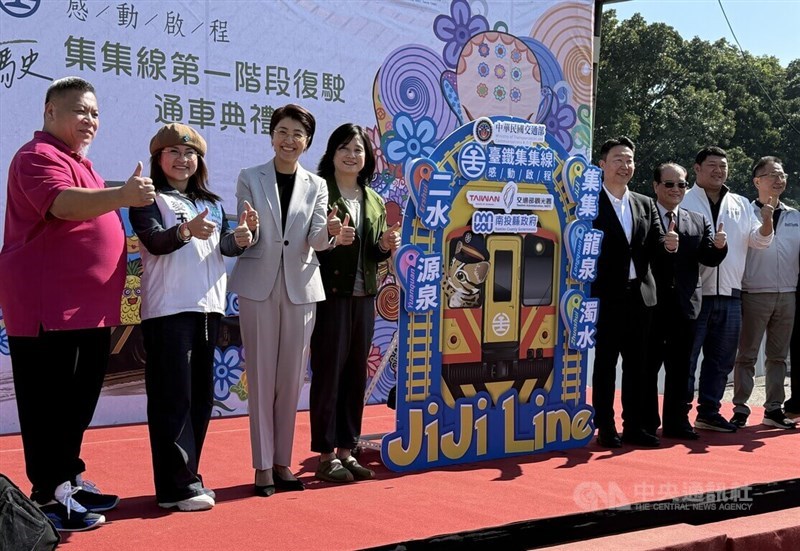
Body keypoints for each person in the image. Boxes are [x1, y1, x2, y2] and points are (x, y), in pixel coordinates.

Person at [0, 77, 155, 531]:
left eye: (95, 113)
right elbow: (62, 206)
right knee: (49, 404)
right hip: (50, 309)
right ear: (50, 112)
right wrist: (122, 196)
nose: (90, 120)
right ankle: (48, 494)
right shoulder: (37, 156)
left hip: (88, 309)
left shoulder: (80, 163)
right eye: (80, 110)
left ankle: (69, 478)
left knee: (77, 400)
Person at [129, 123, 257, 511]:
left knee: (200, 398)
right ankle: (174, 487)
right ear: (158, 158)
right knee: (172, 399)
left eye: (190, 154)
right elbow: (155, 241)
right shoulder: (149, 198)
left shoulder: (211, 203)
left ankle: (188, 478)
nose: (182, 160)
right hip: (168, 310)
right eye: (173, 152)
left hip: (208, 309)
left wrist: (242, 237)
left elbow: (222, 248)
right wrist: (185, 230)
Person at [228, 104, 336, 497]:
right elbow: (248, 231)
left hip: (301, 287)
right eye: (283, 132)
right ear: (272, 135)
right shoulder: (250, 177)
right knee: (260, 376)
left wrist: (332, 232)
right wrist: (247, 231)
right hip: (258, 284)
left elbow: (316, 239)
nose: (289, 140)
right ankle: (262, 466)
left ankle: (282, 462)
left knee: (291, 379)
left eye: (297, 134)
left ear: (307, 142)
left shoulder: (317, 185)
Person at [309, 124, 400, 483]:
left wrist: (384, 245)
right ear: (332, 153)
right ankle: (325, 455)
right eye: (344, 148)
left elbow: (374, 254)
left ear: (367, 158)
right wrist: (332, 238)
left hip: (365, 297)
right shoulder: (319, 192)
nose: (351, 155)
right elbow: (307, 245)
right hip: (330, 295)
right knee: (328, 373)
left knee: (354, 375)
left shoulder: (373, 199)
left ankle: (347, 449)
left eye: (358, 149)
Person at [681, 146, 774, 433]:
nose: (719, 171)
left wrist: (767, 222)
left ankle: (709, 412)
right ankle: (678, 414)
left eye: (723, 166)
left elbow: (759, 241)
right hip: (694, 294)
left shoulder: (740, 203)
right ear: (697, 168)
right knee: (686, 359)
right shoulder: (683, 199)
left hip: (731, 292)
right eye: (712, 165)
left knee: (721, 361)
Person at [590, 136, 673, 448]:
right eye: (618, 160)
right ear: (602, 165)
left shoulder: (644, 203)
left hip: (641, 296)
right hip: (606, 295)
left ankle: (634, 426)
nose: (625, 166)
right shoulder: (589, 202)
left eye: (629, 160)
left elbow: (656, 245)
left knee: (638, 366)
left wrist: (669, 245)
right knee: (605, 364)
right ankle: (605, 427)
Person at [644, 163, 727, 441]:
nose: (676, 189)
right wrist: (663, 246)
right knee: (647, 367)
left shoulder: (697, 219)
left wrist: (720, 246)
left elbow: (709, 258)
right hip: (650, 306)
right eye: (669, 184)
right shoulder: (643, 215)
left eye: (681, 184)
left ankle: (677, 422)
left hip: (686, 306)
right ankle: (646, 423)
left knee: (681, 368)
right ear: (656, 186)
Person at [731, 157, 798, 430]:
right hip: (754, 292)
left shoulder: (794, 216)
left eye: (782, 175)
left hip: (788, 293)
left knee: (778, 357)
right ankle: (740, 408)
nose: (779, 180)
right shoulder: (744, 214)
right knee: (747, 355)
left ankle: (773, 409)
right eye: (772, 175)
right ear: (757, 181)